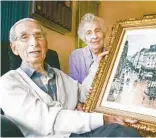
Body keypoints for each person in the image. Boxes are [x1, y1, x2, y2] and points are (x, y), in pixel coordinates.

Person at [0, 18, 141, 137]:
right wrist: (106, 118)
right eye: (25, 37)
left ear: (46, 44)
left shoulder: (57, 74)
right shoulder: (8, 83)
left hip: (78, 132)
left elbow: (86, 93)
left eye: (38, 36)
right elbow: (50, 121)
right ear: (14, 48)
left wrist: (97, 66)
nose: (34, 43)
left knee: (126, 132)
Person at [69, 13, 106, 84]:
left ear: (103, 34)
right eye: (89, 33)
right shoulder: (76, 56)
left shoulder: (112, 54)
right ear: (84, 39)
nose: (94, 36)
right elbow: (75, 88)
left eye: (97, 31)